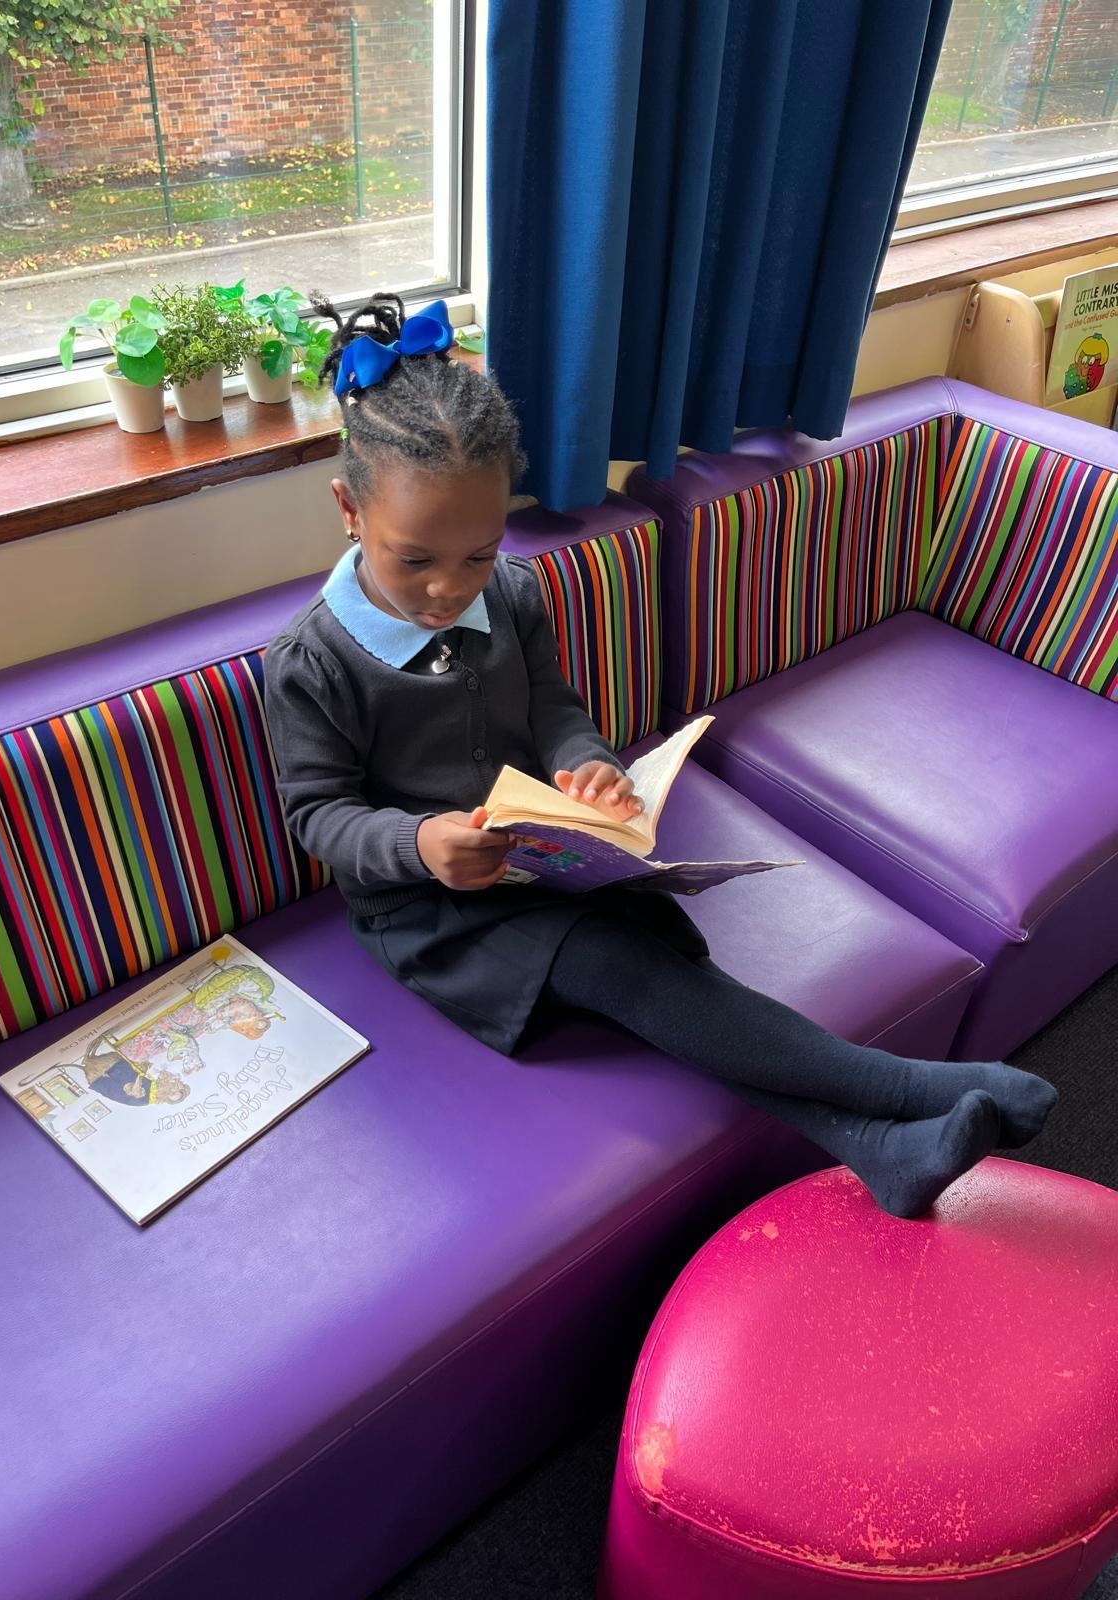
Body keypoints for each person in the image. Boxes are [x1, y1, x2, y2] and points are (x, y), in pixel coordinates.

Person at [262, 292, 1058, 1220]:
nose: (449, 589)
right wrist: (422, 841)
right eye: (415, 560)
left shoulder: (510, 593)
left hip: (544, 857)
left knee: (666, 958)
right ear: (348, 509)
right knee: (622, 968)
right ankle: (904, 1088)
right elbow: (318, 815)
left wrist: (589, 765)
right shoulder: (311, 662)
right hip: (428, 907)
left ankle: (880, 1150)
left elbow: (554, 709)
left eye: (477, 554)